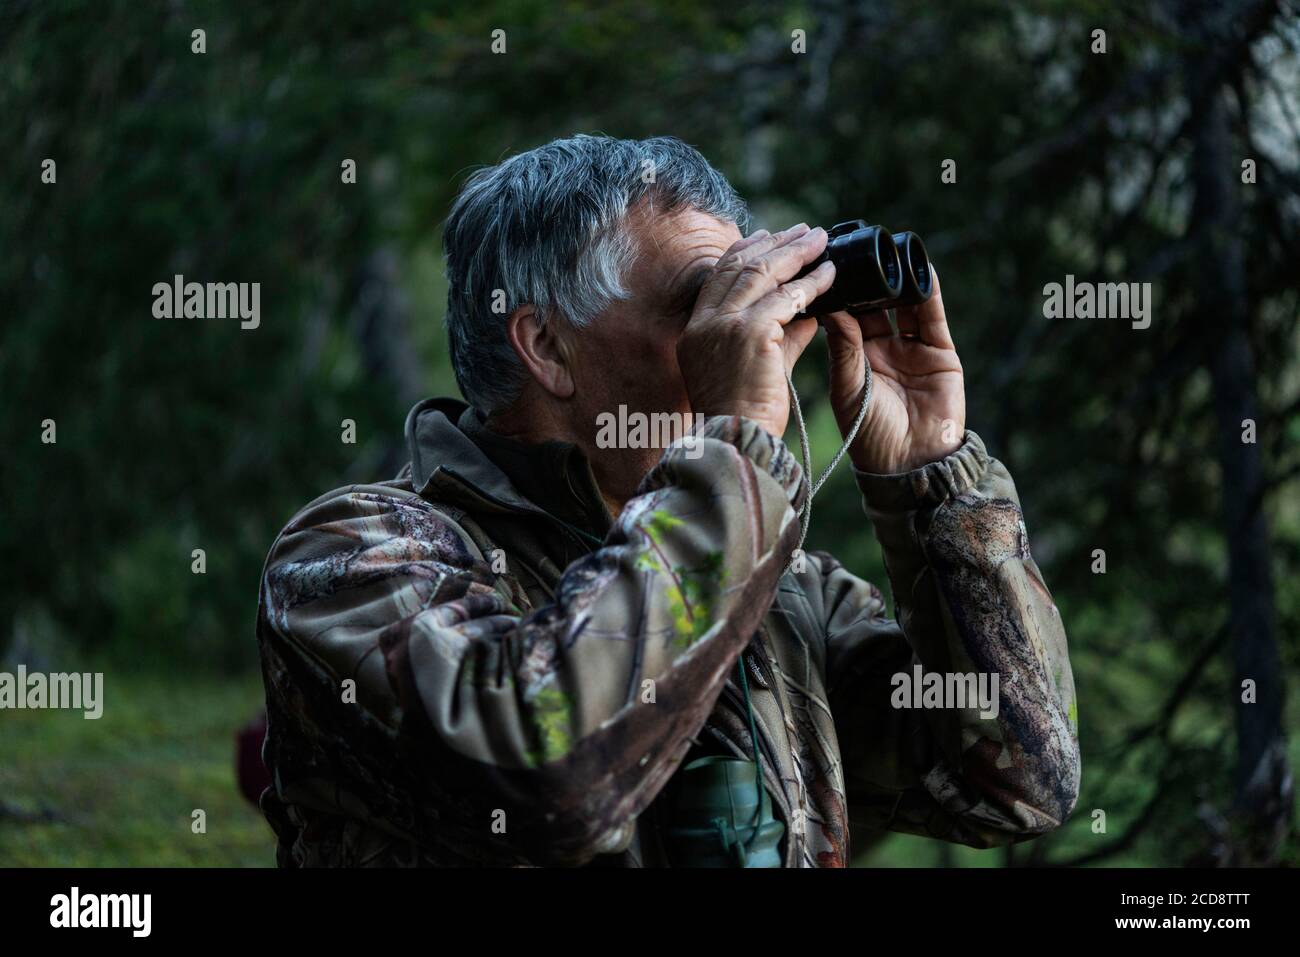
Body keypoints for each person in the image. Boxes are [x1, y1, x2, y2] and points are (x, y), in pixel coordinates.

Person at [254, 134, 1079, 867]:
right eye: (703, 304)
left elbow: (1016, 780)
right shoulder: (349, 556)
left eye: (748, 298)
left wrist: (928, 477)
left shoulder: (783, 594)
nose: (749, 337)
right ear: (546, 346)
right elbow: (547, 780)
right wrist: (736, 446)